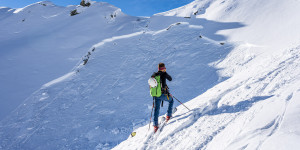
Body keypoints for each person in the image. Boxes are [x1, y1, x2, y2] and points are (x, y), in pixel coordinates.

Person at [151, 63, 174, 133]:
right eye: (164, 68)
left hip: (155, 96)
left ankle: (155, 125)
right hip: (162, 94)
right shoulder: (164, 74)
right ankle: (168, 115)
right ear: (163, 68)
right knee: (171, 101)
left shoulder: (154, 75)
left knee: (156, 109)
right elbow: (170, 79)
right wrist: (165, 72)